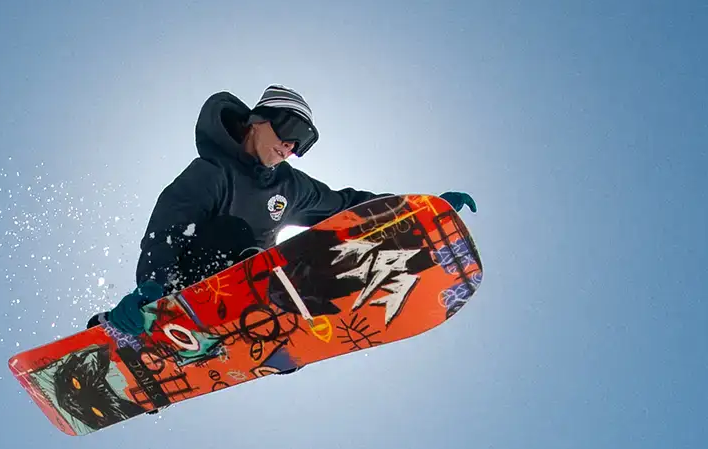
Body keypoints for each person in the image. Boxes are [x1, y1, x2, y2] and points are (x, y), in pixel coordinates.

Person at [95, 86, 475, 337]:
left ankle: (269, 323)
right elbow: (168, 228)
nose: (290, 147)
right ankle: (136, 324)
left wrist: (417, 211)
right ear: (258, 120)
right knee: (237, 235)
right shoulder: (212, 173)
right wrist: (151, 286)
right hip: (184, 281)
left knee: (312, 255)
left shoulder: (290, 187)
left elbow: (347, 206)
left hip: (245, 299)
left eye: (302, 143)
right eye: (289, 130)